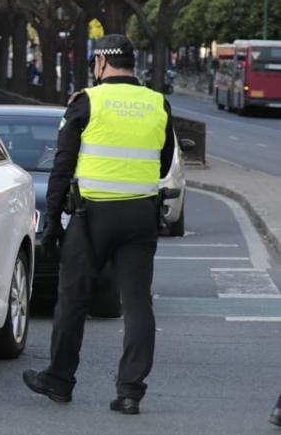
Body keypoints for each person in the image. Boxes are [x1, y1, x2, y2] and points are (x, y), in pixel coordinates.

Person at [23, 34, 174, 416]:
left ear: (102, 62)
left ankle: (59, 380)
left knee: (73, 297)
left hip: (92, 217)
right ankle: (130, 392)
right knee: (137, 302)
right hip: (140, 215)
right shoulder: (158, 103)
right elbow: (163, 162)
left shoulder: (86, 102)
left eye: (95, 62)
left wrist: (52, 221)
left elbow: (62, 165)